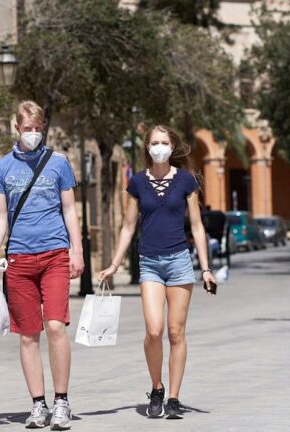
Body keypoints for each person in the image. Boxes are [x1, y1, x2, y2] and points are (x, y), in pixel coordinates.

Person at [98, 125, 216, 420]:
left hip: (179, 262)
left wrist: (206, 269)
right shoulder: (137, 182)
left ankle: (174, 397)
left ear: (171, 146)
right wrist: (114, 263)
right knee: (154, 330)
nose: (159, 147)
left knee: (176, 333)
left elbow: (197, 227)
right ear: (147, 147)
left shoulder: (186, 181)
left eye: (164, 142)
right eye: (154, 142)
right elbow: (128, 227)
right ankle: (157, 387)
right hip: (149, 262)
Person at [0, 101, 84, 430]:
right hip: (20, 258)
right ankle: (38, 404)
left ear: (44, 128)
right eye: (27, 128)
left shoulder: (58, 164)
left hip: (54, 253)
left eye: (38, 129)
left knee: (55, 326)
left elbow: (69, 209)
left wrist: (77, 249)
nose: (33, 134)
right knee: (28, 335)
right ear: (17, 128)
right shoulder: (2, 168)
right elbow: (0, 216)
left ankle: (62, 402)